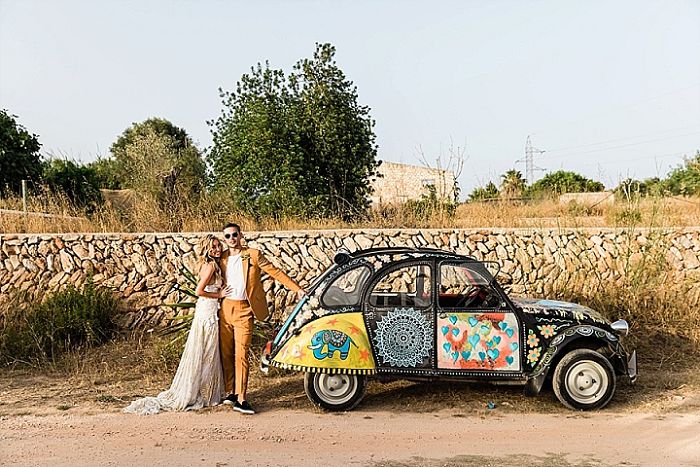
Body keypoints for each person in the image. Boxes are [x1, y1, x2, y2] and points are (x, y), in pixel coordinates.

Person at [123, 235, 232, 415]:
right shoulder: (211, 266)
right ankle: (203, 394)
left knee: (207, 352)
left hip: (209, 311)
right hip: (207, 312)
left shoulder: (213, 265)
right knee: (207, 351)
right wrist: (219, 296)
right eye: (213, 246)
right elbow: (199, 291)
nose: (217, 249)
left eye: (218, 246)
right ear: (206, 248)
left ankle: (206, 391)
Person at [219, 222, 305, 414]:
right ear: (224, 239)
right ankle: (230, 392)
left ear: (240, 235)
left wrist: (297, 289)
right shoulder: (222, 258)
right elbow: (207, 275)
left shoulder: (253, 255)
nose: (232, 239)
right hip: (225, 310)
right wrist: (217, 293)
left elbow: (275, 272)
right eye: (227, 236)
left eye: (234, 235)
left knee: (241, 354)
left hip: (244, 311)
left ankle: (241, 399)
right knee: (225, 354)